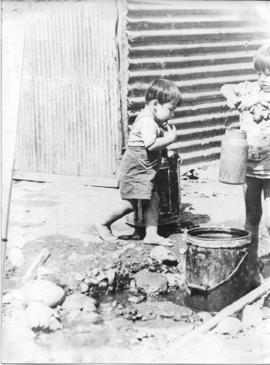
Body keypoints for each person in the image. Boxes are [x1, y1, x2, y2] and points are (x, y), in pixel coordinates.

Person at [96, 79, 182, 246]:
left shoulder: (153, 120)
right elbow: (150, 145)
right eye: (171, 109)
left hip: (144, 170)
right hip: (135, 170)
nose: (173, 115)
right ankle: (103, 222)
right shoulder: (147, 121)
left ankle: (151, 234)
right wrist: (170, 139)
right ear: (156, 104)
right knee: (131, 203)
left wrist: (166, 151)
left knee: (153, 198)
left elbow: (151, 145)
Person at [220, 41, 270, 288]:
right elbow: (226, 86)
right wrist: (232, 97)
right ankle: (251, 268)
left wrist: (256, 104)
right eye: (260, 72)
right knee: (252, 216)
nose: (263, 79)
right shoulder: (250, 88)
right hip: (250, 167)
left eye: (269, 74)